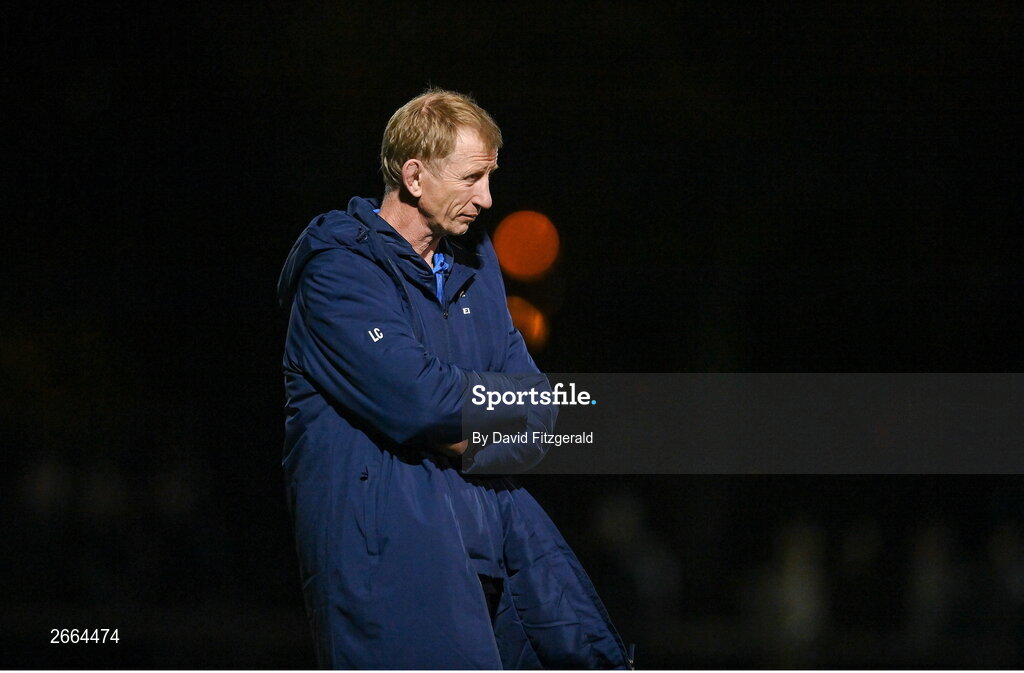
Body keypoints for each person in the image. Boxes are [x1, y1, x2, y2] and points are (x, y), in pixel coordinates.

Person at [277, 88, 631, 669]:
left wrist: (461, 424)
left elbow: (541, 413)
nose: (487, 198)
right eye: (471, 178)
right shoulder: (337, 271)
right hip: (388, 569)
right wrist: (471, 419)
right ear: (414, 176)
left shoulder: (476, 263)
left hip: (495, 562)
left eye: (489, 177)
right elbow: (420, 400)